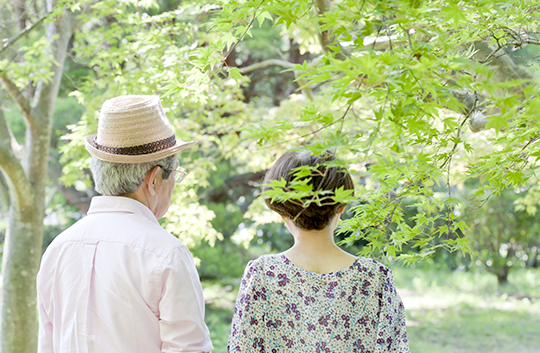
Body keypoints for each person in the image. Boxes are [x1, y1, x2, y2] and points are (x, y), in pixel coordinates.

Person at [37, 95, 213, 353]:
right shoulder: (166, 253)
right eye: (174, 174)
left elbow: (47, 346)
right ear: (153, 180)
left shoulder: (57, 249)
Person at [228, 151, 409, 352]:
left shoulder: (262, 273)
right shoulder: (375, 278)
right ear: (341, 206)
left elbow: (241, 348)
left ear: (281, 212)